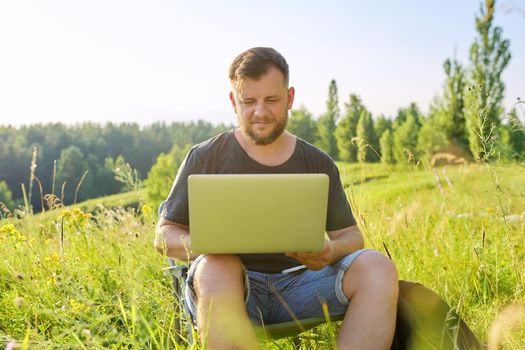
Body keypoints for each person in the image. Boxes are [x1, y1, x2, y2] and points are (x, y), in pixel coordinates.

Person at [154, 47, 399, 350]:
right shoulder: (206, 156)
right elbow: (164, 236)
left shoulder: (317, 162)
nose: (260, 111)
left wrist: (330, 250)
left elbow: (351, 236)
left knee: (378, 266)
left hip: (302, 284)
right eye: (248, 101)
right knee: (217, 266)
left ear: (290, 98)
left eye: (271, 99)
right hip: (229, 290)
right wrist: (214, 245)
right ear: (233, 102)